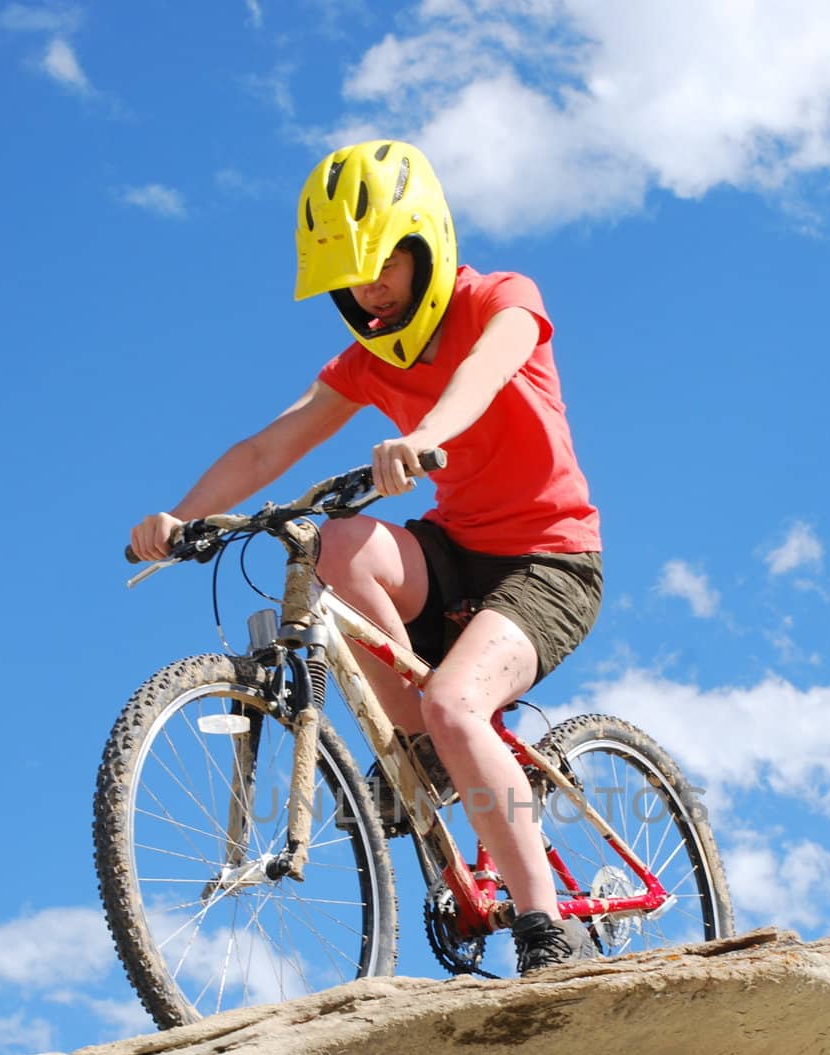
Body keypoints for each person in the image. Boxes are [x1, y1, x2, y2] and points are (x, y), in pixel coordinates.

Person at [129, 139, 603, 974]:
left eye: (381, 260)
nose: (367, 287)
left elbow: (487, 373)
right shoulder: (363, 360)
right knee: (332, 542)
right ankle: (418, 747)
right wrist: (181, 517)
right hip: (454, 552)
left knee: (461, 704)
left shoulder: (501, 297)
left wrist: (424, 436)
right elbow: (264, 449)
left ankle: (546, 930)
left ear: (428, 241)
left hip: (548, 562)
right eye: (347, 273)